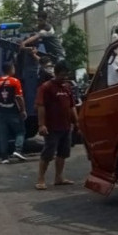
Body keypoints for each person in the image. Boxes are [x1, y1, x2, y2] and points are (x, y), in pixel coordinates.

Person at [34, 60, 78, 190]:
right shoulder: (46, 87)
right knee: (48, 153)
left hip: (65, 126)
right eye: (62, 75)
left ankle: (59, 177)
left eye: (66, 75)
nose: (65, 77)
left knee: (63, 153)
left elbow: (72, 106)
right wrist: (42, 125)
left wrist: (76, 122)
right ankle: (41, 179)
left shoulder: (67, 87)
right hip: (52, 127)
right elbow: (40, 106)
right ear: (56, 73)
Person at [0, 62, 27, 164]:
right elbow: (19, 97)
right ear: (11, 69)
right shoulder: (15, 81)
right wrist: (23, 110)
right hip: (13, 111)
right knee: (20, 131)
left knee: (3, 134)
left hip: (0, 111)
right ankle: (18, 150)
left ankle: (4, 158)